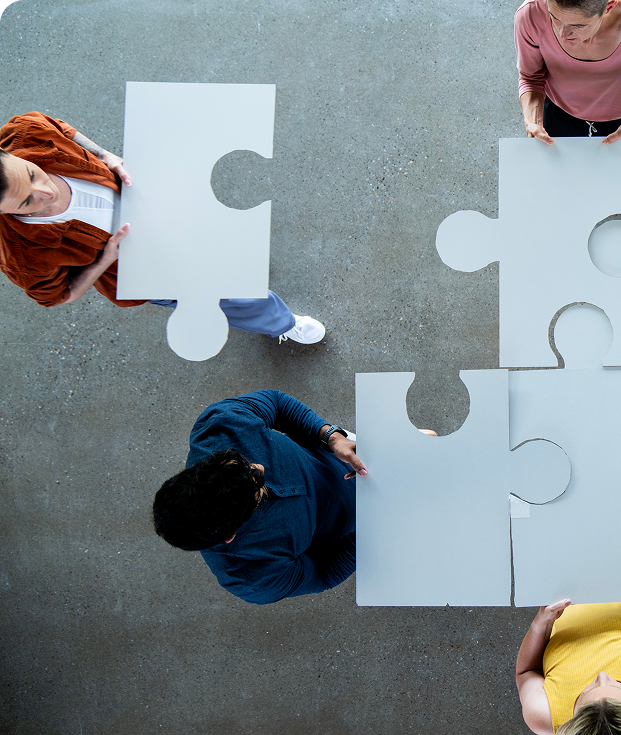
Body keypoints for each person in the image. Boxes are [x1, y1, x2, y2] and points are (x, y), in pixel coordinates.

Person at [0, 112, 325, 345]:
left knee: (220, 240)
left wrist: (104, 154)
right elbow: (60, 296)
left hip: (163, 211)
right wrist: (104, 258)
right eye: (27, 202)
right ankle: (282, 323)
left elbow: (58, 128)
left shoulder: (24, 133)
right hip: (146, 269)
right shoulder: (20, 255)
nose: (46, 192)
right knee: (229, 294)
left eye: (32, 174)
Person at [152, 390, 367, 604]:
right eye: (258, 490)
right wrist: (371, 533)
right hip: (364, 526)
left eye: (242, 462)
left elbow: (277, 403)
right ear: (230, 536)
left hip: (346, 452)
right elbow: (324, 573)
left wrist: (331, 436)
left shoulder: (219, 426)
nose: (260, 467)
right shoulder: (251, 578)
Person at [515, 0, 621, 144]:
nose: (563, 34)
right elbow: (531, 77)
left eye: (578, 25)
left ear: (609, 6)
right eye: (555, 18)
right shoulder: (530, 15)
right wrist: (532, 121)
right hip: (559, 114)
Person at [516, 599, 621, 734]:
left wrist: (542, 622)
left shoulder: (544, 714)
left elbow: (526, 671)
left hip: (562, 604)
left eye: (586, 691)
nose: (602, 675)